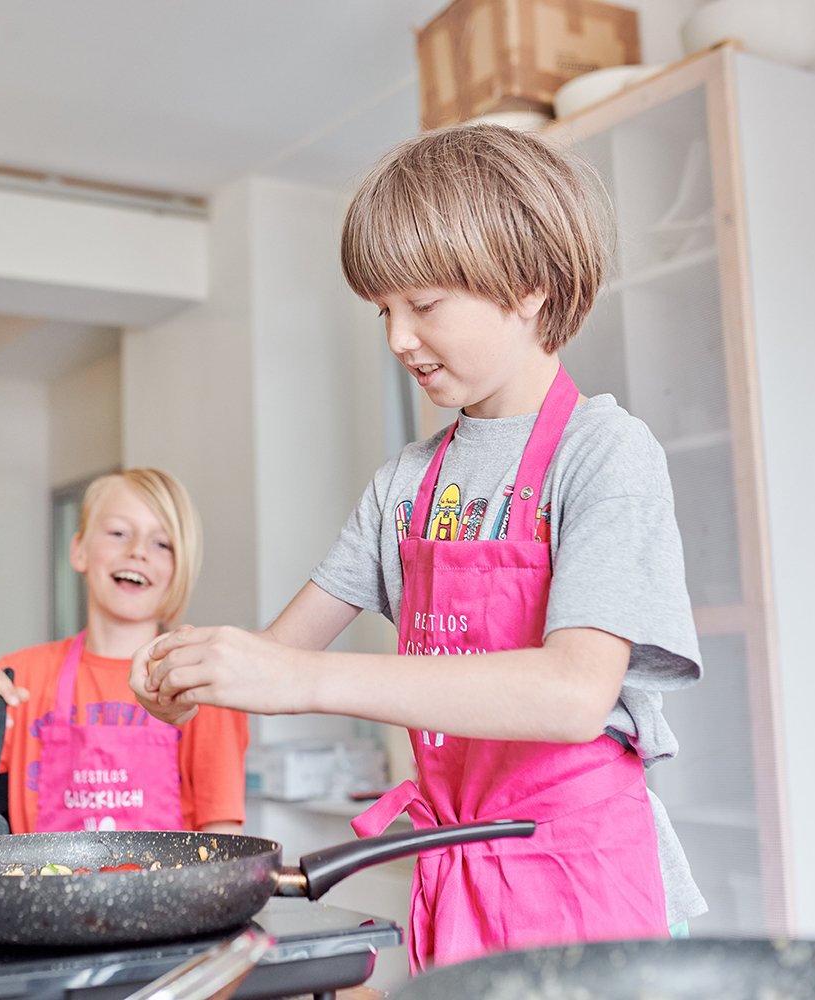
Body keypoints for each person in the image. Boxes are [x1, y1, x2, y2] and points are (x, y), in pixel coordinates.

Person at [132, 124, 707, 969]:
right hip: (458, 878)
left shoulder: (603, 453)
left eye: (425, 305)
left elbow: (574, 693)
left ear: (530, 287)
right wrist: (197, 675)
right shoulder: (405, 486)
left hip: (582, 885)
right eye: (384, 311)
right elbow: (278, 658)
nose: (399, 338)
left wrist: (303, 679)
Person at [0, 468, 249, 836]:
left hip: (172, 888)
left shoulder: (198, 683)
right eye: (118, 532)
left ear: (179, 570)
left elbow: (224, 837)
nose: (138, 552)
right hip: (45, 888)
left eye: (162, 543)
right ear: (79, 551)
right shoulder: (20, 679)